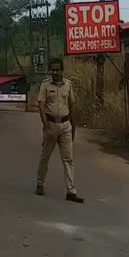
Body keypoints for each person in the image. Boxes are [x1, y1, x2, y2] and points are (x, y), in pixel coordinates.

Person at [35, 58, 84, 203]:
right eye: (53, 70)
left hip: (65, 125)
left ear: (62, 70)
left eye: (57, 70)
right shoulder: (45, 85)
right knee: (45, 157)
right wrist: (46, 126)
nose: (55, 72)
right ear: (50, 70)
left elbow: (72, 106)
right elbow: (41, 106)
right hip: (50, 125)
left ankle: (71, 190)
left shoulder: (68, 85)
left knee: (68, 159)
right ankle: (40, 182)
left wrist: (73, 128)